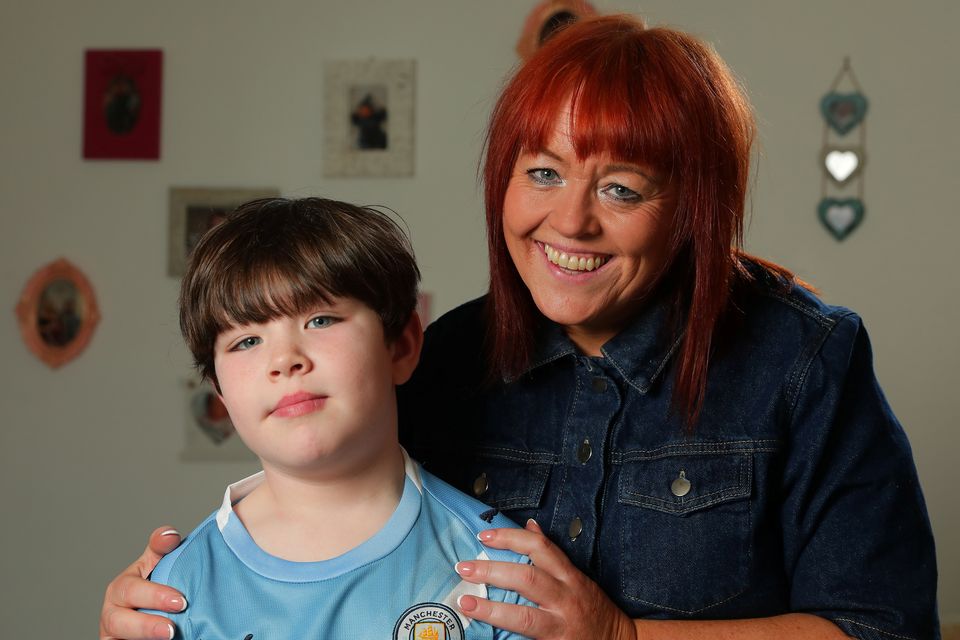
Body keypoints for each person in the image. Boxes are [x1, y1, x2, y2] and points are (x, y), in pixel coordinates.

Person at [100, 15, 939, 640]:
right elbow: (329, 521)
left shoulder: (803, 362)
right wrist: (175, 589)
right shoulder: (445, 361)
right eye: (541, 172)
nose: (568, 222)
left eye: (621, 188)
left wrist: (622, 637)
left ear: (692, 211)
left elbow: (881, 630)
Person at [137, 197, 533, 640]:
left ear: (400, 348)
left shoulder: (500, 574)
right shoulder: (175, 593)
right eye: (247, 341)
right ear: (221, 393)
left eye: (320, 320)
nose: (284, 360)